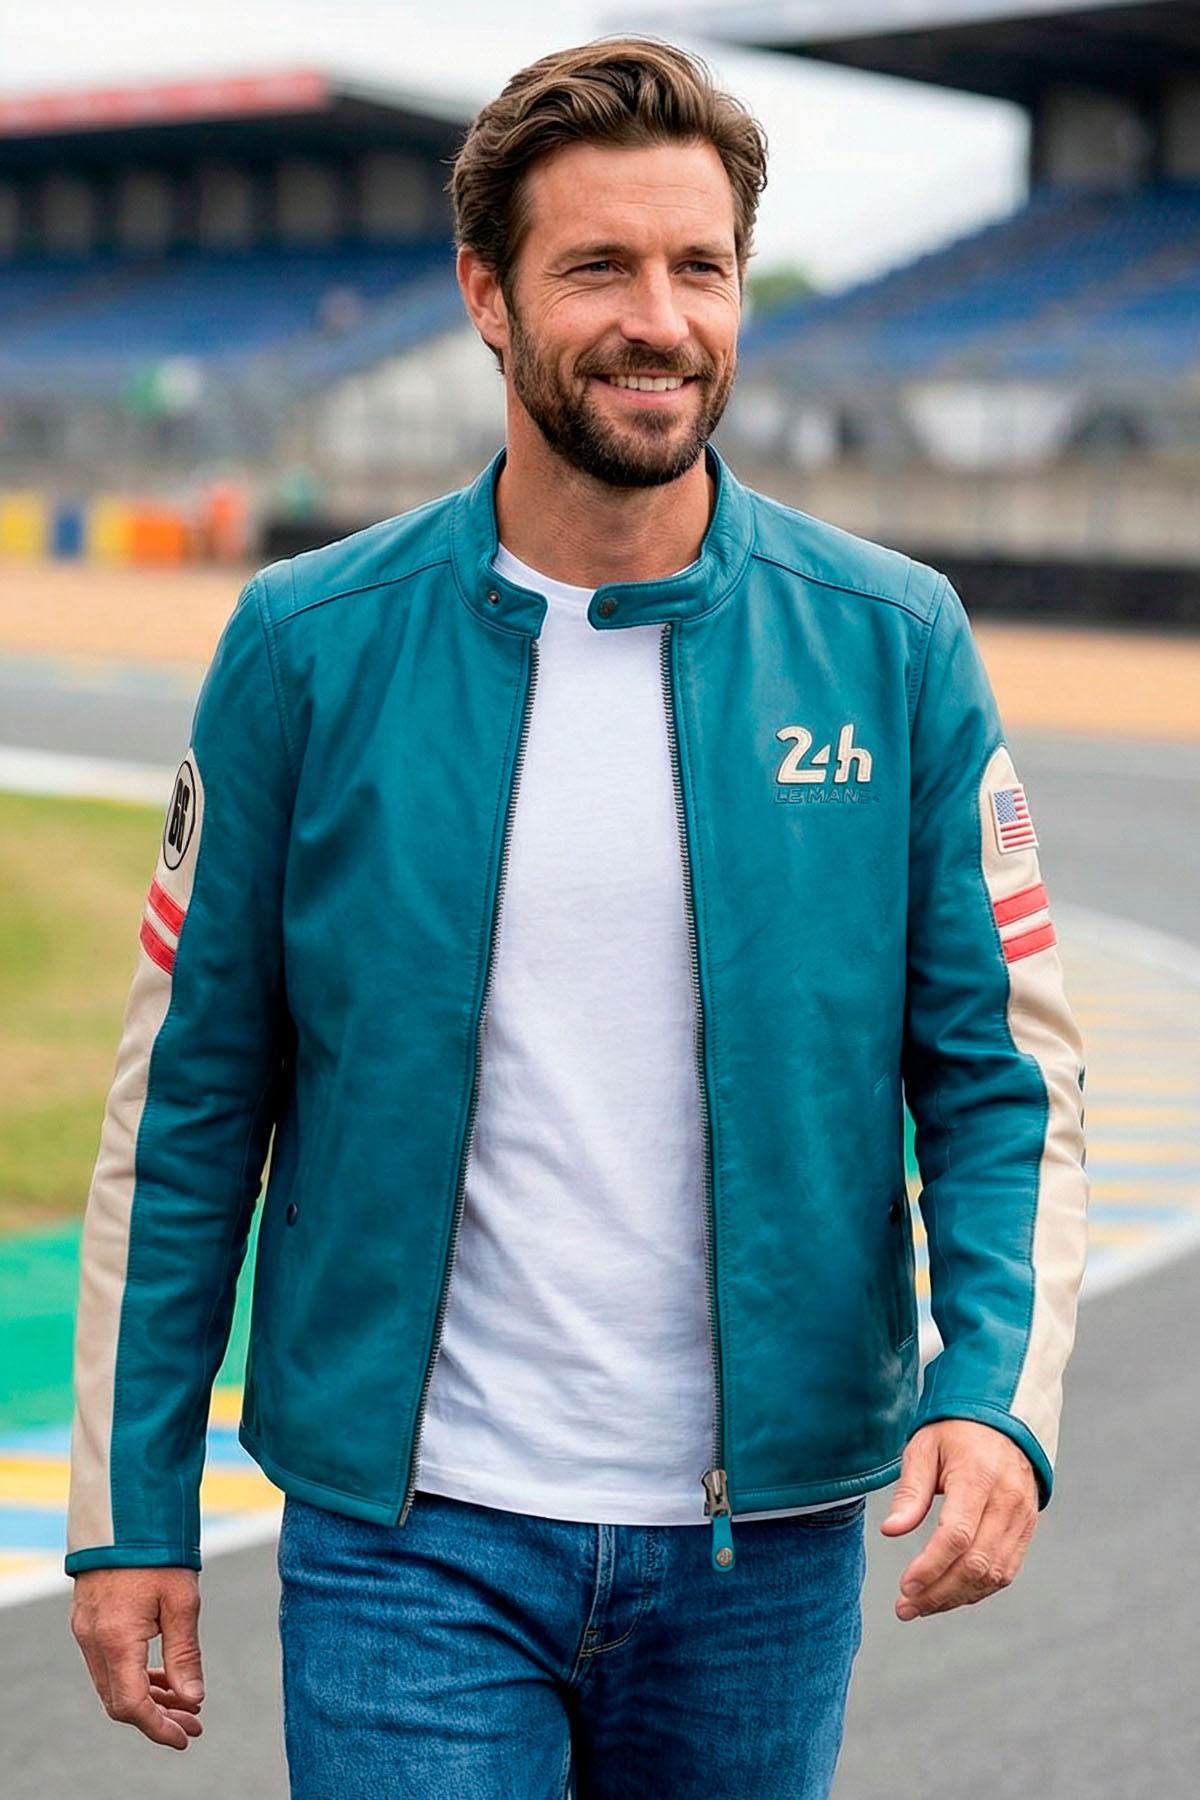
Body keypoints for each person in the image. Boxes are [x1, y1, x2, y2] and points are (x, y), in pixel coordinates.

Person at [65, 35, 1090, 1799]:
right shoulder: (306, 648)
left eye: (702, 267)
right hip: (411, 1543)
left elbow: (1002, 1079)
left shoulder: (892, 643)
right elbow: (188, 1108)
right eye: (600, 267)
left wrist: (992, 1391)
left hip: (760, 1558)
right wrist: (130, 1510)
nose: (659, 321)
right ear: (488, 294)